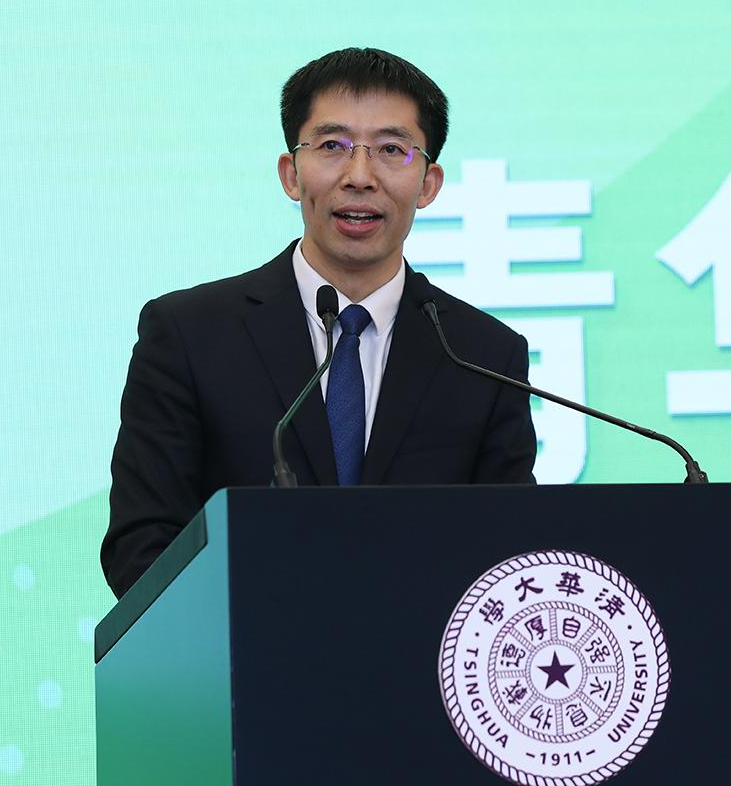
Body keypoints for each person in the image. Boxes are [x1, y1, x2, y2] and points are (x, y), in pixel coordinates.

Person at [101, 48, 536, 599]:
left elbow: (513, 556)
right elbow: (142, 545)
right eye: (332, 146)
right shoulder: (189, 334)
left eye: (392, 150)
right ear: (291, 173)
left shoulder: (483, 355)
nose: (360, 177)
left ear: (428, 183)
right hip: (249, 650)